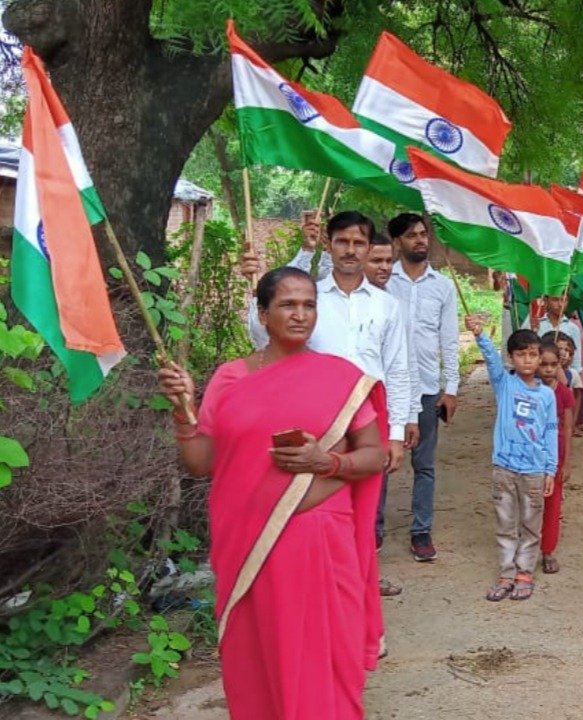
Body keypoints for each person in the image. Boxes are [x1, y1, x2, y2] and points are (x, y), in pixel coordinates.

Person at [159, 267, 388, 719]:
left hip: (323, 540)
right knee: (264, 651)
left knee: (327, 653)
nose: (300, 314)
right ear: (263, 313)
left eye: (308, 305)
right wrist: (183, 413)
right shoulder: (230, 379)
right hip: (252, 544)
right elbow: (202, 462)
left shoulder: (340, 376)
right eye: (287, 304)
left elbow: (376, 455)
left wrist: (329, 463)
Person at [242, 212, 412, 541]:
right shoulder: (310, 299)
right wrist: (255, 295)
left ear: (368, 247)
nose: (350, 250)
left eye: (358, 242)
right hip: (314, 421)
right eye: (342, 242)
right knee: (315, 506)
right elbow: (262, 338)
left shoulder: (387, 306)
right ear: (328, 244)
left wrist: (394, 434)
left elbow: (397, 370)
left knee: (367, 509)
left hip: (368, 422)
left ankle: (361, 581)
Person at [385, 212, 461, 562]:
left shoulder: (442, 286)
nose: (420, 240)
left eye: (423, 234)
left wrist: (452, 387)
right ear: (397, 241)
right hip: (386, 387)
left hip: (428, 387)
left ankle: (421, 532)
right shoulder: (384, 281)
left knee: (425, 464)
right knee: (381, 459)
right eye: (412, 235)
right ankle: (373, 531)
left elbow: (448, 340)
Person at [465, 320, 559, 601]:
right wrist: (480, 335)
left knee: (531, 525)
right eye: (521, 354)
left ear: (540, 356)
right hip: (504, 468)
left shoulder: (547, 395)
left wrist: (550, 469)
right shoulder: (504, 384)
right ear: (512, 357)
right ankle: (506, 574)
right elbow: (492, 361)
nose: (528, 360)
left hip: (533, 470)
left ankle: (525, 573)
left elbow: (551, 432)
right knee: (505, 523)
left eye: (532, 354)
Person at [537, 340, 575, 575]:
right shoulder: (527, 389)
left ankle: (548, 550)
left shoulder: (564, 393)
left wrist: (567, 461)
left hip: (556, 455)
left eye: (554, 365)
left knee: (552, 505)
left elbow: (569, 428)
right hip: (530, 455)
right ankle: (526, 546)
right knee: (529, 503)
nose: (549, 369)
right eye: (544, 364)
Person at [537, 294, 583, 431]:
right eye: (555, 299)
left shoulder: (573, 328)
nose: (559, 304)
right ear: (546, 301)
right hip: (541, 375)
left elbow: (576, 363)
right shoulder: (537, 324)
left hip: (565, 374)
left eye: (563, 300)